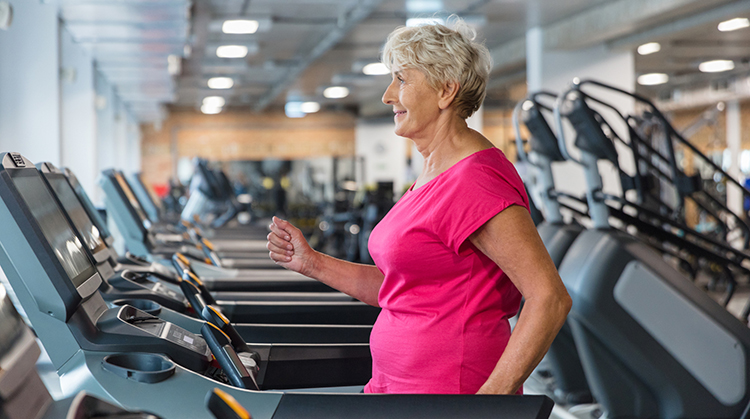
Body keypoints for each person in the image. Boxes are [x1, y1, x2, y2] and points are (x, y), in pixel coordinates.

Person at [267, 17, 571, 395]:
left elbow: (549, 297)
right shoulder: (432, 172)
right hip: (396, 387)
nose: (388, 95)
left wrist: (493, 400)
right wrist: (312, 262)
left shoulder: (475, 181)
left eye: (402, 80)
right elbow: (402, 287)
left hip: (449, 392)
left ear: (446, 91)